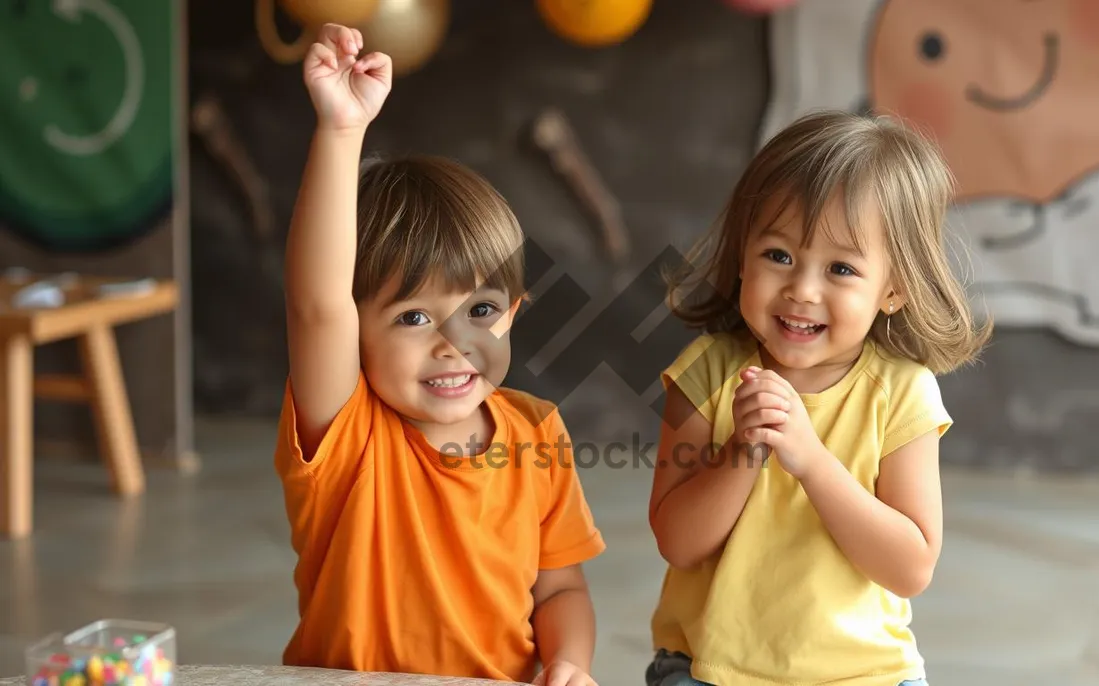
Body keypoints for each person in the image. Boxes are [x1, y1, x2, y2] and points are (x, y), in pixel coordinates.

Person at [273, 24, 606, 686]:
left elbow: (560, 591)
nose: (454, 344)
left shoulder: (538, 433)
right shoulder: (347, 431)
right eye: (413, 316)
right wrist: (341, 133)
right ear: (356, 334)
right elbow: (317, 306)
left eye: (480, 310)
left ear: (513, 312)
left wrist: (568, 662)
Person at [644, 110, 992, 686]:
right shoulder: (705, 374)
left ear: (894, 289)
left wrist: (811, 461)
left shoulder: (902, 394)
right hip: (708, 669)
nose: (802, 290)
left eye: (840, 268)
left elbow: (909, 567)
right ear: (742, 256)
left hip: (867, 675)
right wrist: (744, 452)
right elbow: (678, 543)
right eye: (778, 255)